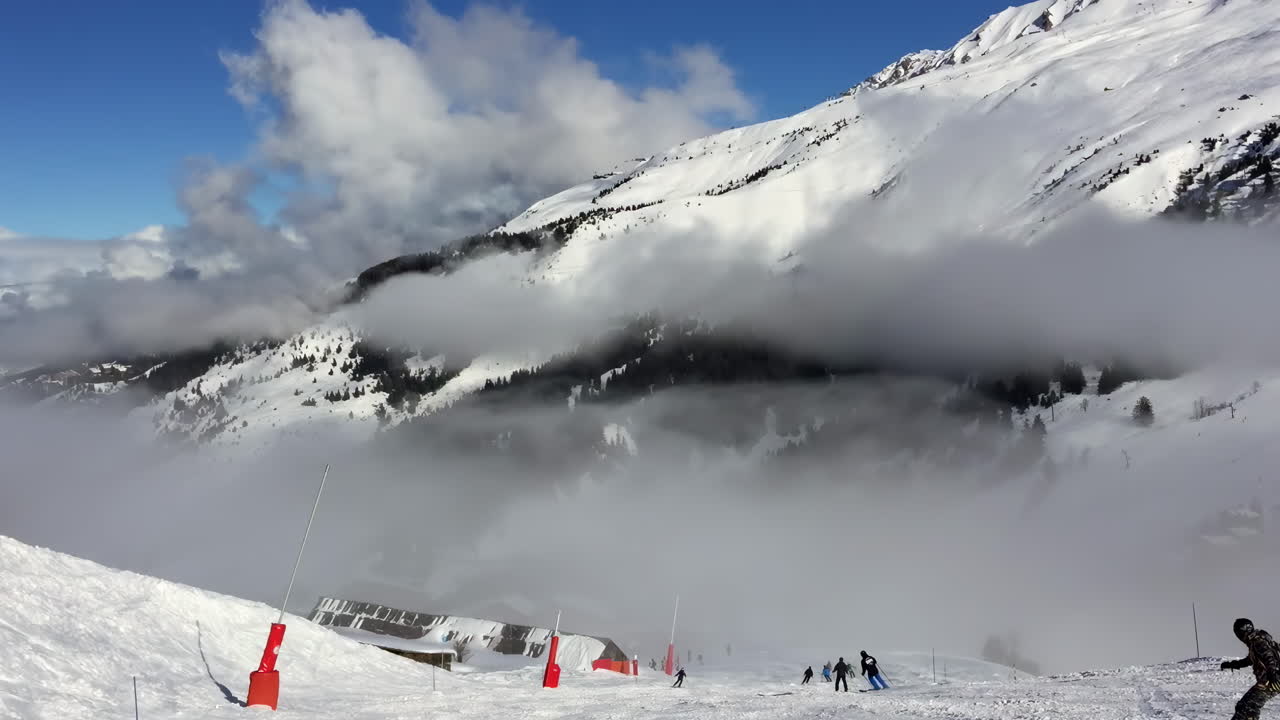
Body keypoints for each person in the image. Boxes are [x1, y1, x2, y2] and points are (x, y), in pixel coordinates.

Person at [1220, 618, 1280, 720]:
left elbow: (1268, 657)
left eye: (1238, 633)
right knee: (1245, 706)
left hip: (1271, 680)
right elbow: (1250, 660)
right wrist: (1233, 664)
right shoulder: (1257, 641)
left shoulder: (1257, 642)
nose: (1239, 637)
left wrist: (1273, 675)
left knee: (1247, 706)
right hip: (1271, 679)